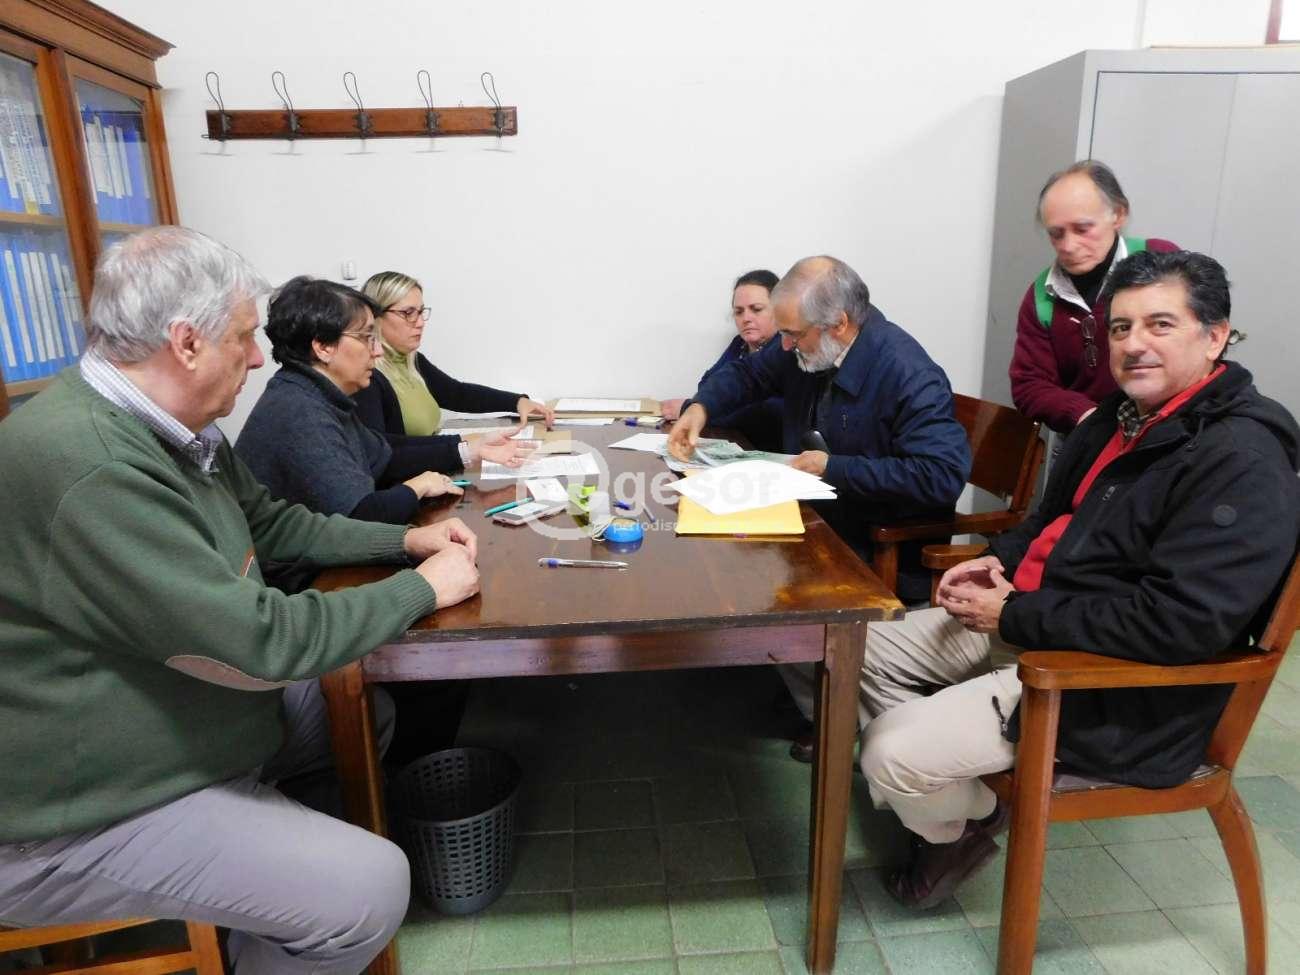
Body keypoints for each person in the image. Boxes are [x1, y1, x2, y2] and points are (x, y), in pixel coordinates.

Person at [0, 226, 483, 975]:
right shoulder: (91, 467)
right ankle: (294, 896)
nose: (259, 358)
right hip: (74, 807)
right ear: (186, 342)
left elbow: (276, 523)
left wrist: (403, 542)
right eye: (244, 337)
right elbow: (261, 645)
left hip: (170, 713)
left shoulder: (176, 429)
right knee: (370, 888)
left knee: (367, 710)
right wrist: (422, 587)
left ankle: (267, 893)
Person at [860, 249, 1299, 910]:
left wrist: (1014, 615)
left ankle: (958, 823)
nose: (1134, 344)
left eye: (1160, 324)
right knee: (847, 647)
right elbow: (1049, 521)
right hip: (1035, 619)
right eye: (1121, 327)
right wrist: (998, 559)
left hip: (1100, 680)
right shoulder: (1115, 419)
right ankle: (957, 787)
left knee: (887, 752)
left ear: (1215, 336)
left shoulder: (1242, 460)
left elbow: (1182, 623)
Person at [669, 255, 970, 602]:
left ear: (838, 324)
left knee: (731, 589)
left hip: (873, 546)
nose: (784, 345)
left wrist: (832, 467)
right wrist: (700, 408)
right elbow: (749, 373)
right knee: (710, 568)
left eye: (793, 335)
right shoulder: (812, 339)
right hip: (812, 518)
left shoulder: (909, 374)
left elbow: (941, 475)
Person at [235, 276, 478, 534]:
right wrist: (417, 487)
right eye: (366, 337)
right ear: (323, 346)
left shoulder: (317, 394)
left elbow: (385, 455)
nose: (378, 351)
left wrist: (465, 449)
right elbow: (360, 517)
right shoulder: (299, 411)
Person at [1010, 160, 1179, 434]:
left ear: (1118, 214)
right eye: (1056, 234)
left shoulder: (1162, 261)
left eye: (1082, 229)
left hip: (1168, 428)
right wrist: (1086, 417)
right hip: (1085, 433)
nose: (1068, 246)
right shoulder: (1042, 296)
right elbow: (1029, 385)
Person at [356, 270, 554, 470]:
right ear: (375, 316)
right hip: (415, 479)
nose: (420, 322)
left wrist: (516, 401)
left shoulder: (411, 360)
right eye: (408, 313)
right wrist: (466, 445)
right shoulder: (367, 377)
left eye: (421, 312)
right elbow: (383, 454)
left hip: (435, 469)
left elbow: (456, 393)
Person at [660, 269, 784, 451]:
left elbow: (764, 415)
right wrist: (699, 408)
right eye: (739, 312)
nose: (746, 318)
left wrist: (693, 409)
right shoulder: (739, 344)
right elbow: (706, 384)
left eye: (756, 309)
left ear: (779, 310)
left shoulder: (786, 348)